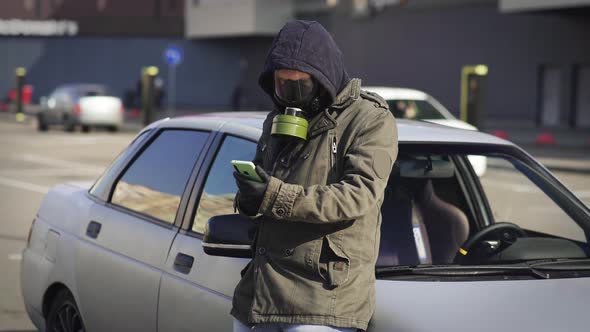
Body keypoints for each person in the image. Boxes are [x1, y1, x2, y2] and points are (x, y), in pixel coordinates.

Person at [232, 20, 398, 332]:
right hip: (260, 294)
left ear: (324, 80)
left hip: (324, 299)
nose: (292, 95)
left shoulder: (370, 119)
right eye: (284, 85)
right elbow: (263, 190)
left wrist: (273, 195)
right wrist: (249, 195)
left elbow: (357, 195)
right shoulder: (277, 120)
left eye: (301, 86)